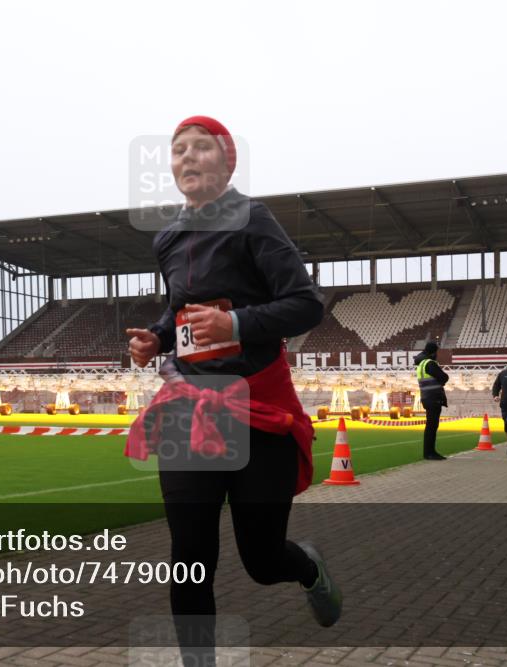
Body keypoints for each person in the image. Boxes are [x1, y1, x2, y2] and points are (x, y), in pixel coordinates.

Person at [124, 116, 339, 663]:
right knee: (189, 555)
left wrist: (238, 325)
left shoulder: (253, 221)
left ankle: (307, 568)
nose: (187, 157)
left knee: (262, 560)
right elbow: (179, 311)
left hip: (256, 407)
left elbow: (306, 303)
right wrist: (156, 337)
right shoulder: (167, 238)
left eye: (201, 148)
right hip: (189, 406)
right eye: (177, 150)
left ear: (227, 163)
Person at [414, 341, 449, 460]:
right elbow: (444, 377)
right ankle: (430, 452)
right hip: (433, 398)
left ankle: (429, 452)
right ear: (433, 352)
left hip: (426, 397)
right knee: (432, 426)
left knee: (430, 426)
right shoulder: (430, 364)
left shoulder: (421, 364)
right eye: (436, 352)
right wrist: (441, 382)